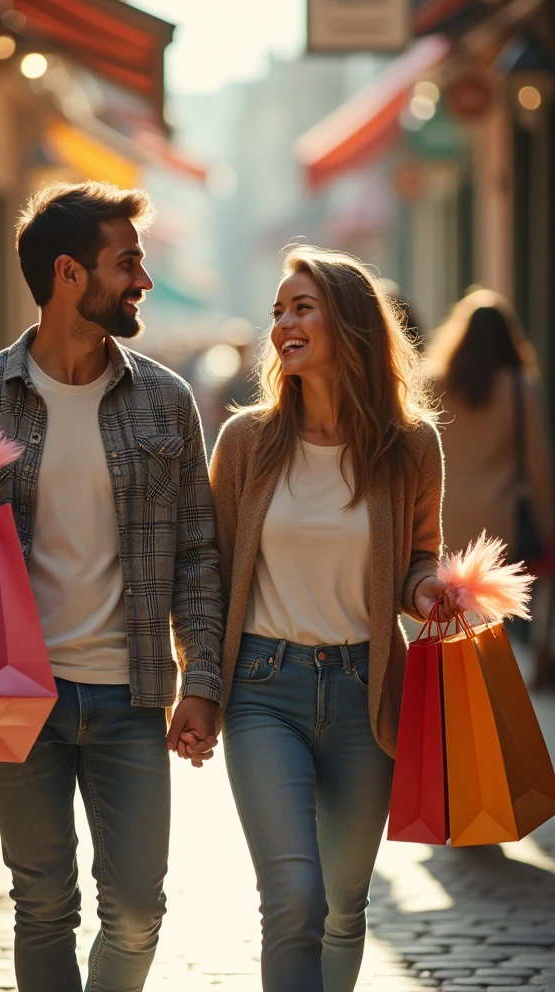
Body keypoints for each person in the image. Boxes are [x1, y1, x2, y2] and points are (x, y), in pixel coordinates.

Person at [0, 181, 223, 992]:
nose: (141, 280)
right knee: (43, 903)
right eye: (127, 263)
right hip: (15, 694)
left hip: (133, 692)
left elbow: (199, 552)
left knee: (138, 907)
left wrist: (203, 681)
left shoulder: (165, 400)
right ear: (69, 274)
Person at [208, 246, 453, 992]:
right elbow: (210, 574)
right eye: (279, 308)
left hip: (365, 694)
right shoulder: (246, 442)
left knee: (346, 905)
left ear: (348, 323)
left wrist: (428, 591)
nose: (282, 321)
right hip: (261, 689)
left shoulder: (411, 446)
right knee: (294, 901)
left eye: (301, 307)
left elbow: (417, 557)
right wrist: (196, 683)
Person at [425, 288, 555, 683]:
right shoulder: (519, 387)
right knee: (489, 624)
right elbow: (537, 467)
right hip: (497, 527)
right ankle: (481, 701)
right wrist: (548, 526)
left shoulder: (433, 383)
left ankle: (447, 692)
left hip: (442, 517)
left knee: (443, 614)